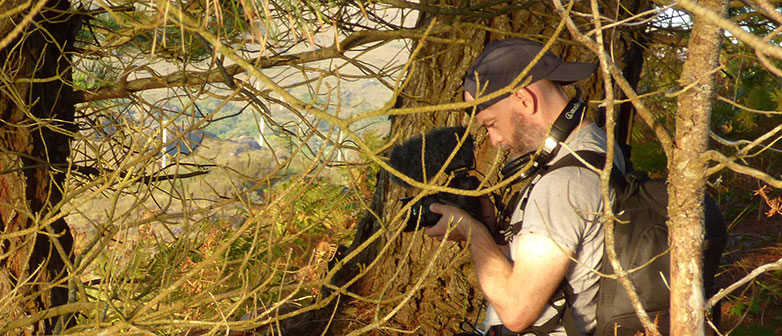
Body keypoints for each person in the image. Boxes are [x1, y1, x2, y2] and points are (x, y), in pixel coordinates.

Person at [424, 38, 626, 335]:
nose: (494, 140)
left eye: (492, 124)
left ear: (524, 100)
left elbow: (516, 311)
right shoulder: (596, 147)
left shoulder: (563, 183)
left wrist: (471, 231)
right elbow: (555, 267)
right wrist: (491, 230)